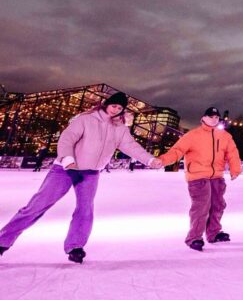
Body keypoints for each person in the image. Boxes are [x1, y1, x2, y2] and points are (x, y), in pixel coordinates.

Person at [0, 92, 162, 263]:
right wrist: (68, 161)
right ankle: (3, 241)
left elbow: (131, 147)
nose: (116, 110)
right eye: (114, 105)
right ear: (106, 104)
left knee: (85, 210)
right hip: (64, 170)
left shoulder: (120, 129)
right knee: (37, 206)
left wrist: (150, 160)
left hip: (90, 173)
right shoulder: (86, 119)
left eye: (120, 108)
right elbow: (66, 139)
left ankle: (75, 246)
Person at [158, 107, 242, 252]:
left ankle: (213, 233)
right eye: (211, 117)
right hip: (198, 177)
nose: (214, 119)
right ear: (203, 118)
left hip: (217, 177)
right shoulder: (193, 135)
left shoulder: (225, 136)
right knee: (201, 207)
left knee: (218, 206)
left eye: (216, 117)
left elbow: (232, 154)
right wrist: (162, 160)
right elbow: (177, 151)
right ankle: (194, 237)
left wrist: (235, 169)